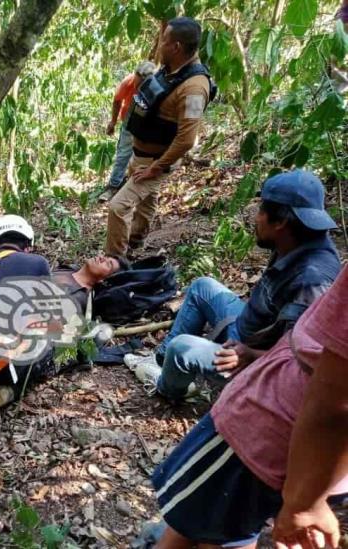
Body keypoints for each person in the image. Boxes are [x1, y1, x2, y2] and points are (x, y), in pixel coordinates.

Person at [145, 263, 348, 549]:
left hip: (265, 431)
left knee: (216, 527)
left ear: (280, 223)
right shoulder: (290, 257)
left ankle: (164, 379)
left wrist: (304, 502)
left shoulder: (311, 278)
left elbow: (336, 403)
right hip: (281, 412)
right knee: (201, 523)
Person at [126, 170, 341, 401]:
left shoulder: (311, 281)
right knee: (203, 287)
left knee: (181, 349)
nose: (255, 218)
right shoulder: (296, 238)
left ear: (281, 222)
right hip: (247, 331)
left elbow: (298, 362)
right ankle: (160, 359)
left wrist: (250, 355)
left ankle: (167, 388)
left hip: (255, 363)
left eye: (261, 210)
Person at [105, 17, 215, 256]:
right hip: (141, 154)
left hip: (155, 161)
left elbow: (187, 138)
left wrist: (157, 167)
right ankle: (135, 241)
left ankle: (115, 261)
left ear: (176, 46)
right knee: (147, 200)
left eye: (163, 40)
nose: (159, 45)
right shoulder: (170, 70)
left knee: (118, 206)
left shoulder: (194, 88)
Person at [101, 61, 157, 201]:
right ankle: (114, 185)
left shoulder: (156, 85)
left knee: (143, 155)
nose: (138, 87)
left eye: (141, 84)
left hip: (147, 121)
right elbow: (117, 100)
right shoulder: (128, 82)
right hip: (129, 119)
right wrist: (113, 122)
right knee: (124, 153)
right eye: (137, 83)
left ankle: (136, 184)